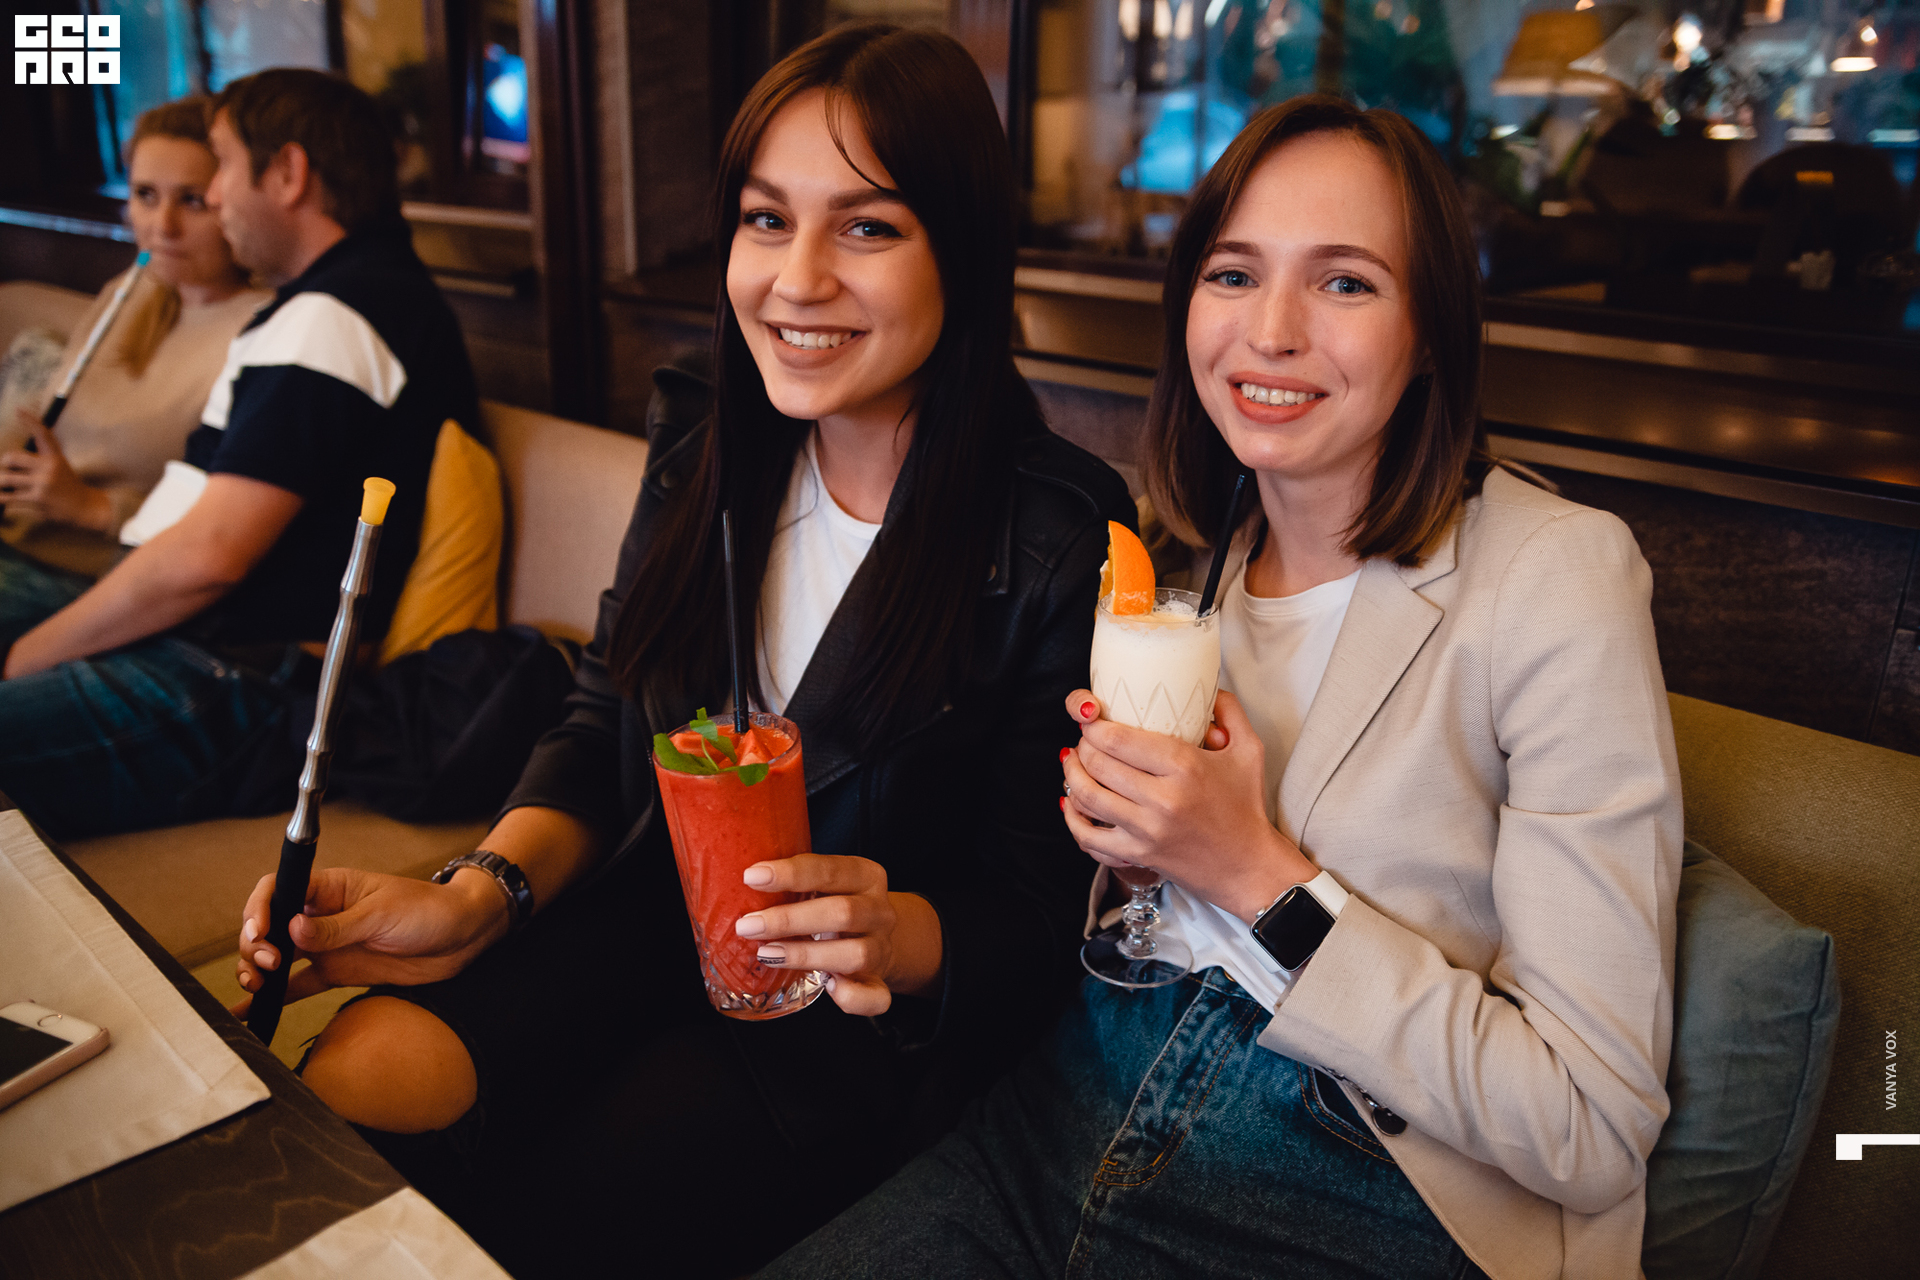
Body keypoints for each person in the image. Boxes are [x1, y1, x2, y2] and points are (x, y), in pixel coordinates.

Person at [230, 25, 1134, 1280]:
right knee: (350, 1086)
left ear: (963, 253)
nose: (796, 279)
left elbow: (1042, 916)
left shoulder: (1059, 535)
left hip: (838, 1033)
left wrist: (896, 928)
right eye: (766, 220)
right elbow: (603, 717)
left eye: (867, 228)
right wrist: (476, 894)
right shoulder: (705, 442)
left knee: (544, 1219)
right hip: (642, 918)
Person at [760, 95, 1682, 1280]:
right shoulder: (1187, 566)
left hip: (1346, 1174)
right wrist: (1130, 859)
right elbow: (1112, 925)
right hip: (1063, 1101)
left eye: (1344, 282)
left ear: (1432, 333)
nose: (1272, 331)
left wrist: (1254, 872)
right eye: (1234, 274)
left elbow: (1590, 1123)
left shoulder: (1556, 574)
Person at [0, 69, 478, 838]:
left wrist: (27, 656)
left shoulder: (339, 314)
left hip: (246, 679)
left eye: (221, 166)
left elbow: (209, 559)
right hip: (207, 644)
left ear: (288, 173)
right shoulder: (340, 300)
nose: (216, 196)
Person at [0, 96, 267, 634]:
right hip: (20, 543)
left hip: (102, 581)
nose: (162, 226)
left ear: (233, 200)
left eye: (192, 201)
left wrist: (93, 505)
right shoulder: (134, 287)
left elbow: (230, 529)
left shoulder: (263, 331)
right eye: (145, 195)